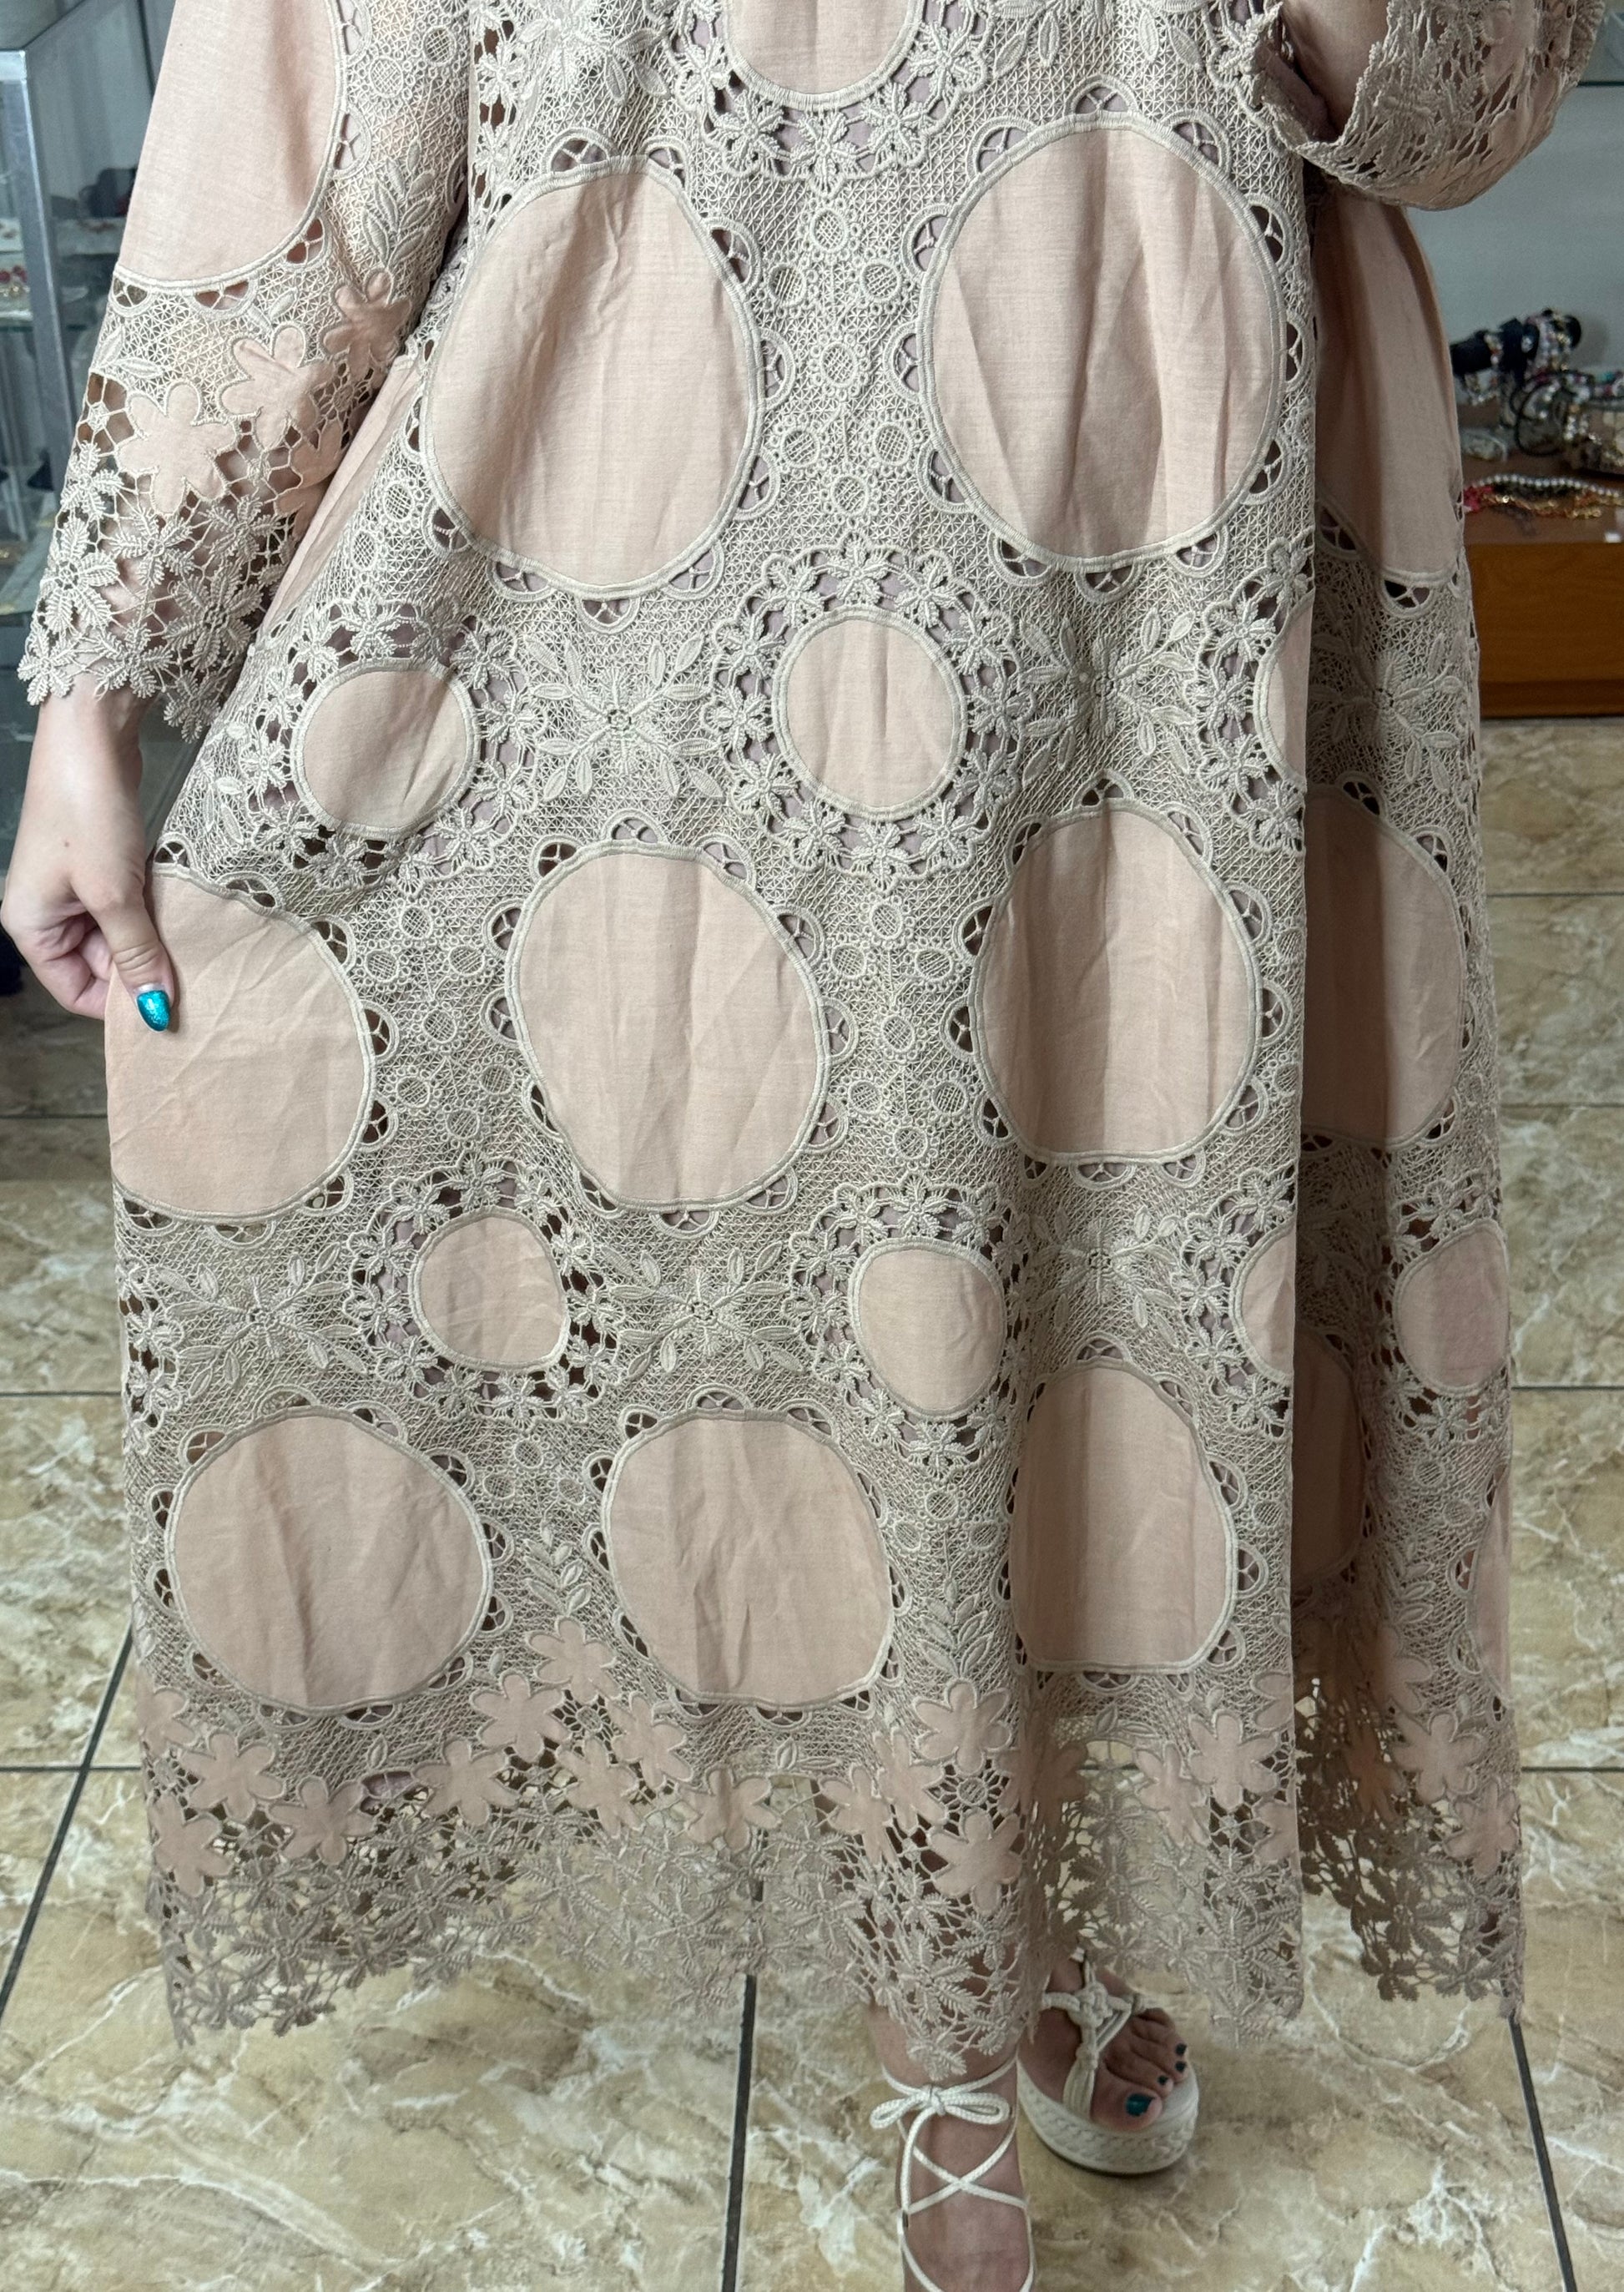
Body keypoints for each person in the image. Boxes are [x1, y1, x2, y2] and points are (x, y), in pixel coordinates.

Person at [3, 4, 1598, 2282]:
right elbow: (303, 103)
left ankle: (1069, 1885)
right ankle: (940, 1966)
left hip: (1169, 578)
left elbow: (1457, 106)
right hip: (647, 519)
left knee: (1117, 1250)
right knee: (824, 1264)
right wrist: (93, 708)